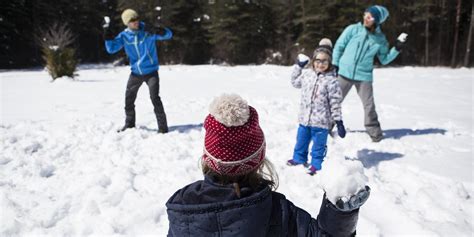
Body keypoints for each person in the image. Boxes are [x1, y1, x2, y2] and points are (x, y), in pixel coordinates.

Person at [166, 94, 370, 237]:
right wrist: (341, 212)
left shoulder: (183, 207)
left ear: (208, 157)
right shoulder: (276, 210)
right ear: (258, 159)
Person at [332, 5, 407, 142]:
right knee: (334, 101)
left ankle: (375, 133)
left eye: (371, 16)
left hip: (364, 76)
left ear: (377, 20)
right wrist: (335, 63)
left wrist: (396, 49)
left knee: (369, 105)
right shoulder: (353, 29)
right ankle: (324, 127)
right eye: (366, 14)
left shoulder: (380, 39)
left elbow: (384, 59)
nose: (366, 18)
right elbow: (339, 46)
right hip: (344, 72)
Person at [102, 9, 172, 133]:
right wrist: (107, 36)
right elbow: (111, 49)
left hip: (151, 72)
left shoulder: (147, 31)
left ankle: (163, 128)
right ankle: (129, 125)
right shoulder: (124, 36)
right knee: (129, 99)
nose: (136, 22)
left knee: (155, 98)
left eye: (136, 19)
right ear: (127, 23)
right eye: (132, 20)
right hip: (136, 73)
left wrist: (160, 30)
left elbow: (169, 35)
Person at [287, 39, 346, 175]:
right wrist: (298, 66)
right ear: (313, 61)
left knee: (318, 147)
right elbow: (295, 82)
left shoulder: (332, 80)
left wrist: (339, 121)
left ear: (329, 63)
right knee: (301, 141)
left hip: (321, 122)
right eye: (318, 60)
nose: (320, 64)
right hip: (304, 119)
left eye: (324, 61)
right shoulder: (307, 75)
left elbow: (335, 102)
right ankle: (298, 158)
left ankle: (316, 164)